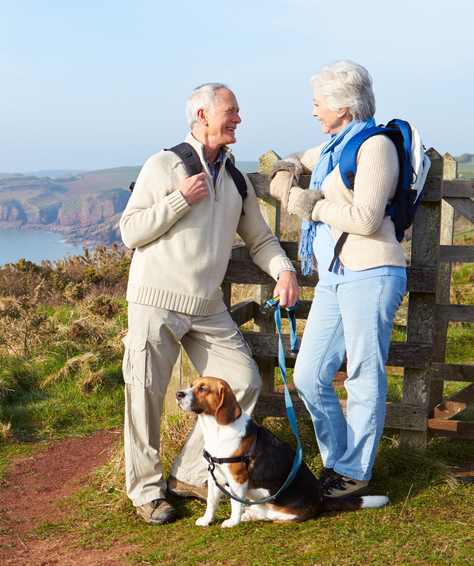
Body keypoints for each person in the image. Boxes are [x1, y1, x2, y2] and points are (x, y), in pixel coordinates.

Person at [120, 83, 299, 525]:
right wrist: (181, 199)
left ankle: (186, 475)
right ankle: (146, 493)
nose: (239, 118)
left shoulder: (236, 178)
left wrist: (284, 270)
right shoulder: (163, 165)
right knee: (144, 395)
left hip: (207, 306)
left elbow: (259, 238)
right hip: (155, 301)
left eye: (238, 111)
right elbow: (130, 231)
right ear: (202, 115)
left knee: (242, 382)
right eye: (231, 111)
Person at [267, 60, 407, 498]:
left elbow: (365, 219)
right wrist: (285, 171)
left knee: (364, 374)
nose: (313, 112)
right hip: (334, 275)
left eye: (317, 104)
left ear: (343, 107)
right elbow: (294, 160)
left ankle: (354, 473)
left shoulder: (374, 147)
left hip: (373, 270)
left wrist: (311, 205)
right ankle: (339, 464)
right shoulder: (333, 148)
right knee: (308, 375)